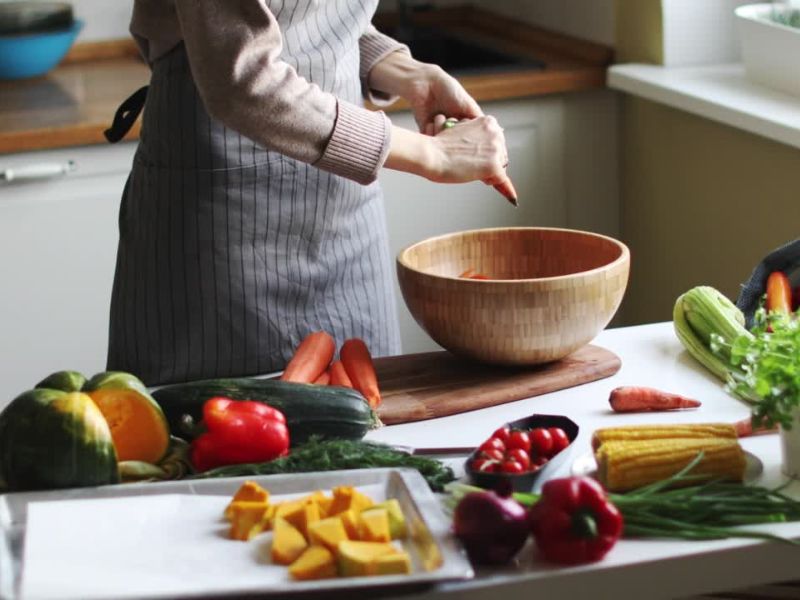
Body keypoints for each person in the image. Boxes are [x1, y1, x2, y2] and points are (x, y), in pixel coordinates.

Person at [105, 0, 512, 386]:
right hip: (224, 215)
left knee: (371, 427)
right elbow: (243, 80)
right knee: (213, 442)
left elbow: (314, 19)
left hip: (346, 209)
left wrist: (409, 73)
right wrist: (431, 153)